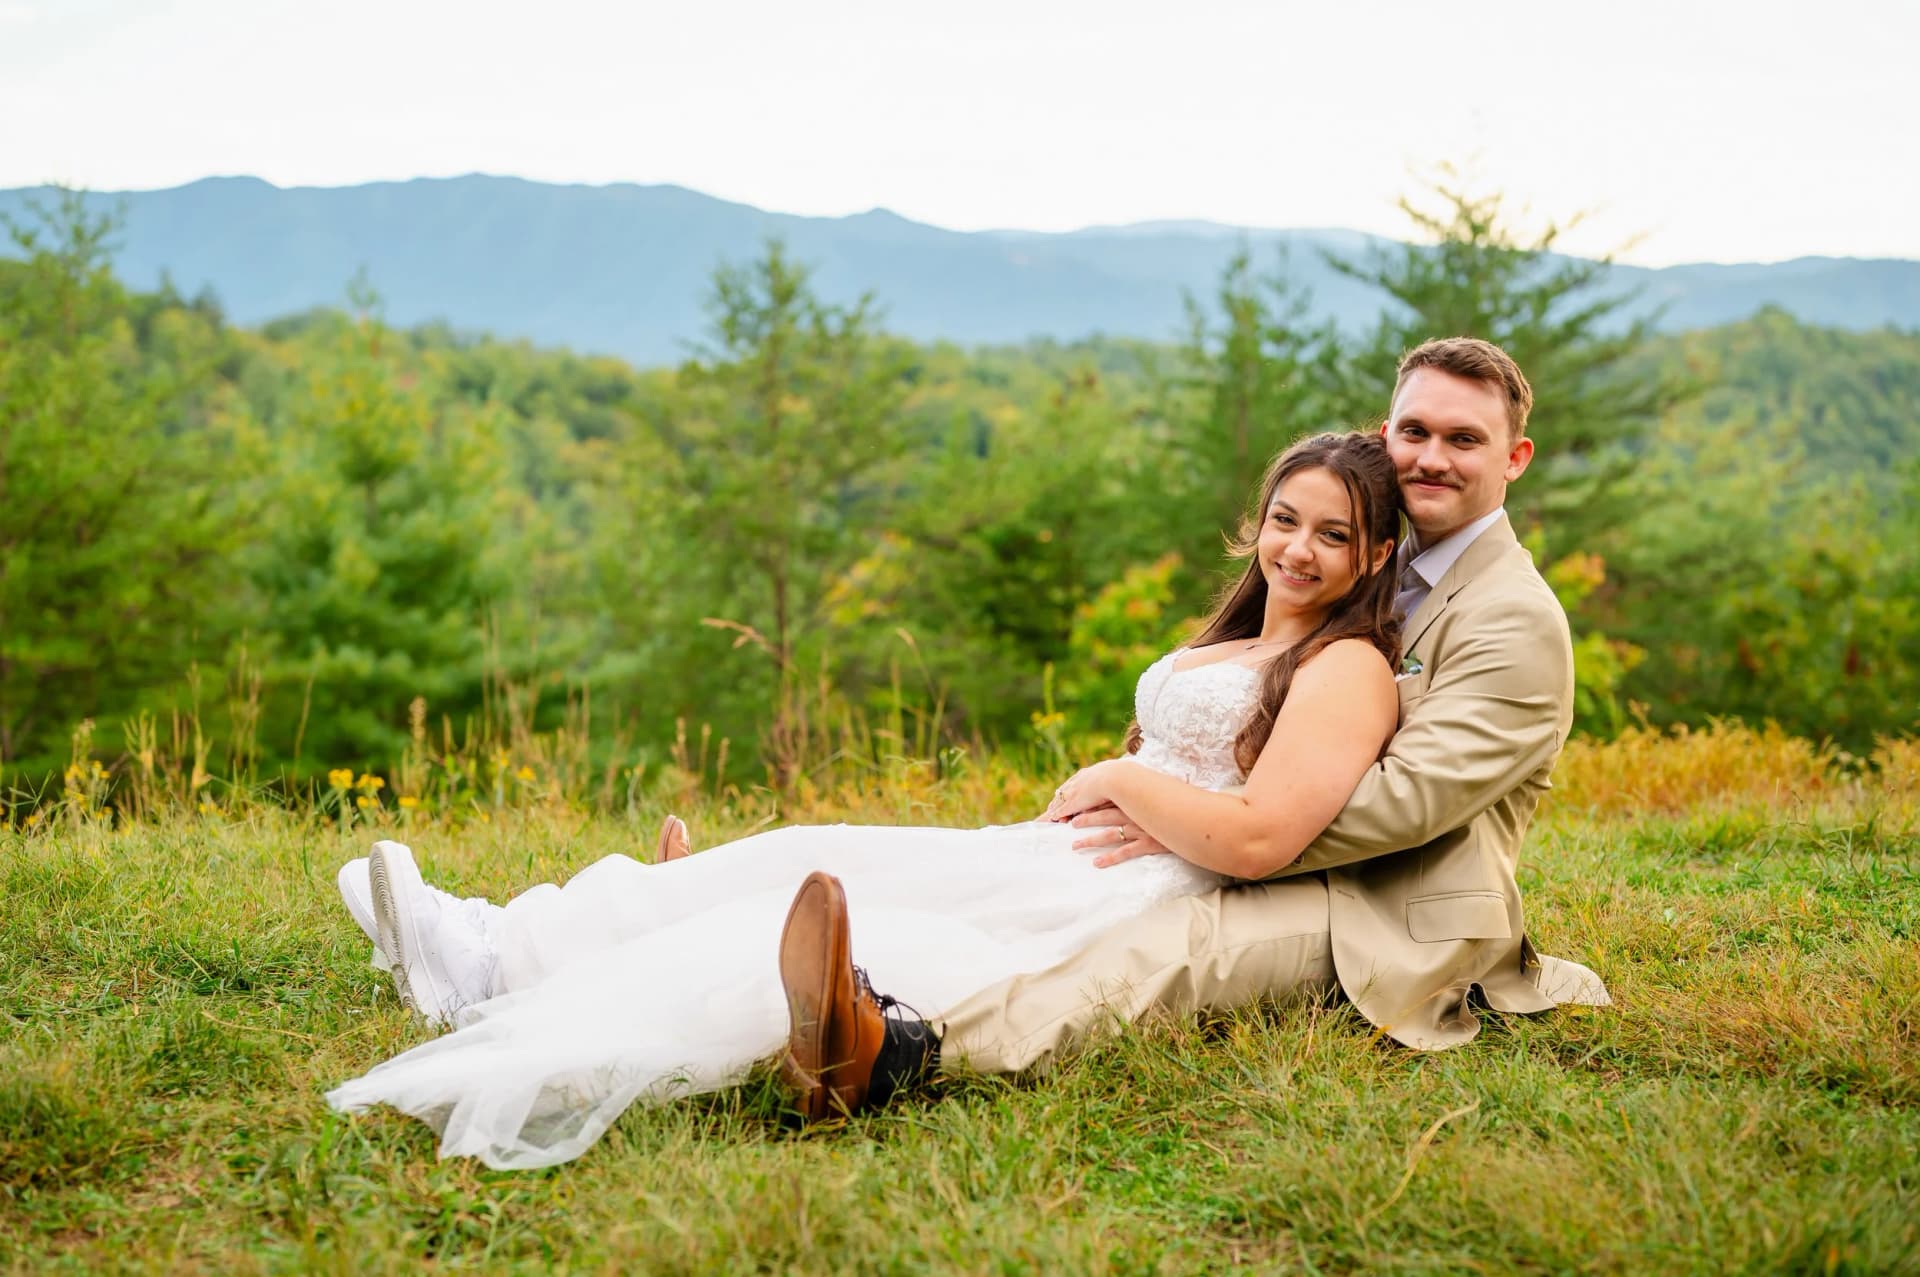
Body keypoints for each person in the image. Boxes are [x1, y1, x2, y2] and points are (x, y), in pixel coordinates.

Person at [327, 428, 1408, 1168]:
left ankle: (506, 963)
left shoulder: (1347, 667)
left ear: (1375, 555)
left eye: (1333, 534)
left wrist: (1120, 776)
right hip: (1059, 851)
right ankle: (511, 942)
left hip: (1124, 892)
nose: (1298, 548)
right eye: (1286, 518)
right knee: (814, 848)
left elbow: (1261, 837)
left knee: (847, 900)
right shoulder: (1243, 637)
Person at [774, 336, 1610, 1120]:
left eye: (1464, 439)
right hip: (1268, 844)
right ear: (1384, 432)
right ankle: (791, 954)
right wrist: (1190, 810)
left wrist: (1206, 829)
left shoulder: (1512, 618)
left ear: (1514, 458)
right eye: (1415, 431)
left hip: (1391, 903)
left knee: (1172, 947)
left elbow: (1408, 802)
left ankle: (901, 1053)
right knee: (1034, 884)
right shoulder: (1370, 554)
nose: (1431, 457)